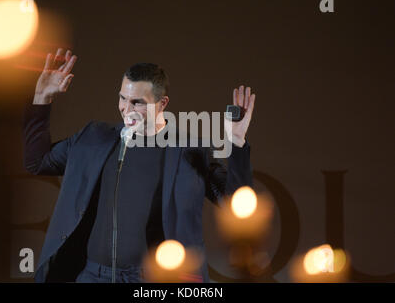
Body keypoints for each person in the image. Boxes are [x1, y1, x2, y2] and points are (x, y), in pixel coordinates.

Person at [23, 48, 256, 283]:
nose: (125, 108)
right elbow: (37, 162)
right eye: (122, 98)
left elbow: (235, 202)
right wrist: (42, 98)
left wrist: (237, 142)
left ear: (162, 103)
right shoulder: (93, 137)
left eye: (137, 102)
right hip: (92, 275)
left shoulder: (188, 150)